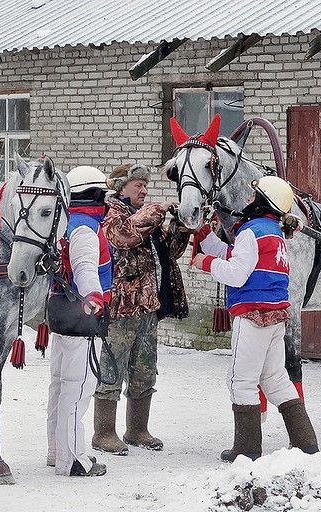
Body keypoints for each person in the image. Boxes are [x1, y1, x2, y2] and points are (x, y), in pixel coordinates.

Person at [190, 175, 319, 461]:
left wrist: (205, 263)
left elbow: (236, 273)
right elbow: (235, 254)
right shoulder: (271, 231)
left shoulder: (250, 231)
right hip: (275, 316)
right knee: (275, 378)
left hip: (252, 316)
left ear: (262, 201)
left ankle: (246, 449)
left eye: (253, 196)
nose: (248, 200)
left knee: (241, 380)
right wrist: (205, 237)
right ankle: (306, 443)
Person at [91, 163, 190, 455]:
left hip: (148, 308)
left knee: (145, 371)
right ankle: (103, 433)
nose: (144, 191)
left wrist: (183, 224)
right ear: (122, 188)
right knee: (112, 370)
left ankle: (137, 429)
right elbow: (125, 237)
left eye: (146, 187)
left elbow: (171, 252)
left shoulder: (146, 219)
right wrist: (160, 208)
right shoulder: (112, 215)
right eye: (138, 186)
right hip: (121, 311)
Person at [46, 165, 113, 477]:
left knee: (60, 388)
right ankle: (73, 459)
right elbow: (85, 267)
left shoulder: (66, 223)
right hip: (83, 316)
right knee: (78, 389)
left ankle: (56, 452)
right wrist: (95, 300)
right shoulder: (86, 227)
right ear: (95, 194)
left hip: (62, 313)